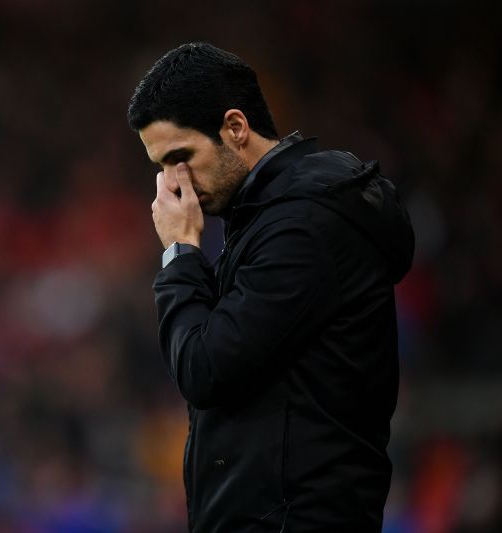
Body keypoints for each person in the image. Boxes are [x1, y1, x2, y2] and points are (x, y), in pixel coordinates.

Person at [127, 42, 415, 532]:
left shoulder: (304, 226)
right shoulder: (270, 218)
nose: (177, 184)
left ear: (236, 128)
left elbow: (204, 369)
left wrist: (179, 252)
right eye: (161, 166)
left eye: (181, 157)